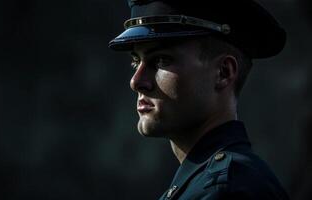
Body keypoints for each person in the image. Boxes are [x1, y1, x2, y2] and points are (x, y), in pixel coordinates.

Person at [109, 0, 290, 199]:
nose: (136, 81)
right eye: (137, 61)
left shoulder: (226, 190)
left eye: (161, 60)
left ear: (223, 73)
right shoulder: (206, 183)